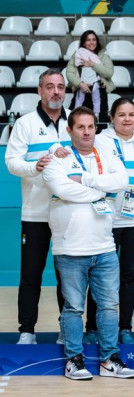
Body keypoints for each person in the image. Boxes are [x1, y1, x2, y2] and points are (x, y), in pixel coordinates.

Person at [43, 106, 134, 380]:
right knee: (73, 307)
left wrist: (85, 180)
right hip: (70, 248)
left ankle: (109, 360)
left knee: (109, 307)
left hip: (105, 247)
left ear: (96, 128)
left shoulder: (107, 156)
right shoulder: (56, 159)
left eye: (90, 126)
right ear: (69, 130)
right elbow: (62, 189)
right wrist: (100, 190)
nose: (86, 132)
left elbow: (121, 180)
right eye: (80, 127)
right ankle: (74, 360)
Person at [5, 68, 68, 345]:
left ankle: (68, 329)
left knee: (68, 277)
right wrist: (35, 166)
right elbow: (11, 162)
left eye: (60, 87)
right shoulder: (25, 124)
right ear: (40, 91)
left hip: (70, 213)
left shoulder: (76, 122)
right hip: (35, 214)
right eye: (50, 87)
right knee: (31, 275)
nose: (56, 92)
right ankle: (27, 331)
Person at [82, 98, 134, 345]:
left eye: (131, 114)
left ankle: (125, 328)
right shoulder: (100, 140)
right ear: (111, 118)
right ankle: (92, 328)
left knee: (130, 276)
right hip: (106, 219)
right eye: (121, 114)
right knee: (98, 274)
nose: (127, 119)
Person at [66, 30, 113, 122]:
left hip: (99, 91)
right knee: (75, 120)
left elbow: (109, 73)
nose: (91, 42)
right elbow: (69, 74)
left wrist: (93, 65)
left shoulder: (103, 56)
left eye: (94, 39)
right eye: (88, 40)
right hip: (82, 89)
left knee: (100, 122)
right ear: (83, 43)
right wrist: (80, 84)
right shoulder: (77, 55)